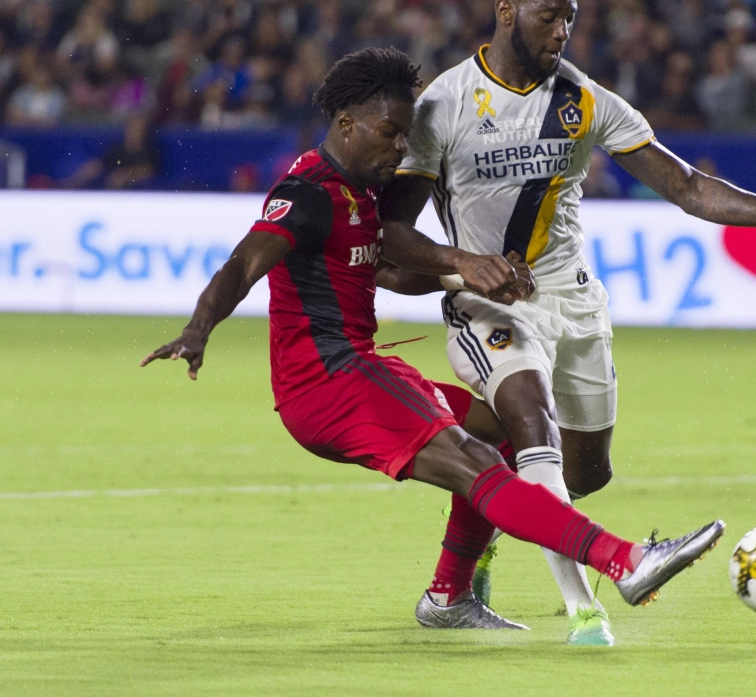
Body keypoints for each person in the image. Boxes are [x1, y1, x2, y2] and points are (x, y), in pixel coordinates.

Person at [140, 47, 725, 633]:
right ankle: (625, 561)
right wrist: (197, 331)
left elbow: (389, 273)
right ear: (346, 124)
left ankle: (449, 596)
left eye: (405, 136)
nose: (400, 149)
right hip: (330, 384)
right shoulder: (310, 194)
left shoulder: (360, 194)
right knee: (474, 463)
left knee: (494, 428)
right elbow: (243, 265)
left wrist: (469, 275)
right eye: (390, 134)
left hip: (356, 371)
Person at [376, 0, 756, 646]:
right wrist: (462, 270)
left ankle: (466, 562)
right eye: (548, 17)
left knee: (581, 472)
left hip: (575, 299)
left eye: (569, 19)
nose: (562, 31)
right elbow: (389, 233)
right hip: (491, 307)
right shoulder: (443, 106)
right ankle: (587, 613)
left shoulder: (582, 100)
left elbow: (687, 186)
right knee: (535, 428)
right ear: (506, 11)